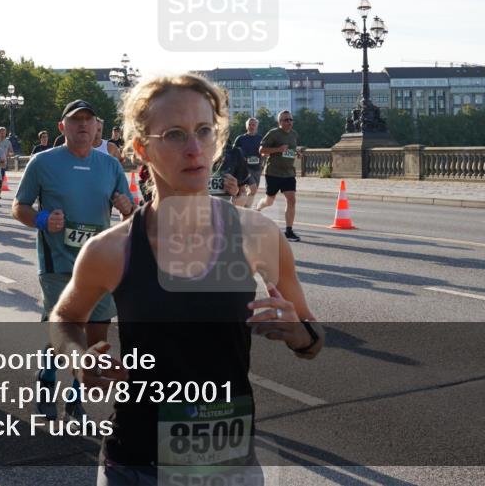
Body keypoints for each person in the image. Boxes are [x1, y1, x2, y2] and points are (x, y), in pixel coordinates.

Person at [49, 74, 322, 485]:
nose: (194, 149)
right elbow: (65, 317)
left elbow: (312, 338)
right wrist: (77, 359)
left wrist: (298, 334)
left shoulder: (257, 235)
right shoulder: (111, 248)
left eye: (204, 131)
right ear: (142, 148)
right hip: (137, 466)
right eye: (175, 135)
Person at [14, 99, 134, 421]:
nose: (82, 124)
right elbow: (19, 206)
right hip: (58, 263)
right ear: (62, 127)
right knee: (67, 331)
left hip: (99, 266)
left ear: (97, 127)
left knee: (97, 338)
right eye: (75, 119)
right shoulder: (42, 162)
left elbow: (130, 211)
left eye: (88, 119)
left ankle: (76, 396)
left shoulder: (110, 165)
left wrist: (127, 207)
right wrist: (41, 221)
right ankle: (47, 379)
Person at [255, 111, 302, 242]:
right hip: (273, 173)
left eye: (291, 119)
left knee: (291, 200)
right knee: (269, 201)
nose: (289, 122)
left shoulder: (294, 134)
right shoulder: (273, 133)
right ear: (279, 122)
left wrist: (296, 153)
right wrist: (278, 149)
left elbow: (290, 149)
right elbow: (261, 150)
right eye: (286, 119)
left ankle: (289, 231)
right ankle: (258, 208)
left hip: (289, 173)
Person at [234, 118, 264, 208]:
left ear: (256, 126)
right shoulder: (241, 138)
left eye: (253, 125)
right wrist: (241, 159)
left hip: (257, 168)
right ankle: (244, 208)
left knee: (253, 191)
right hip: (244, 169)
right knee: (253, 188)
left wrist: (262, 162)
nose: (251, 126)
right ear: (246, 126)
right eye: (250, 124)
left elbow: (264, 151)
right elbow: (234, 152)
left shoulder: (260, 138)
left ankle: (244, 207)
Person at [208, 139, 246, 204]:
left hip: (223, 209)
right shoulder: (189, 150)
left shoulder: (235, 153)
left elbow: (242, 192)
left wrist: (236, 193)